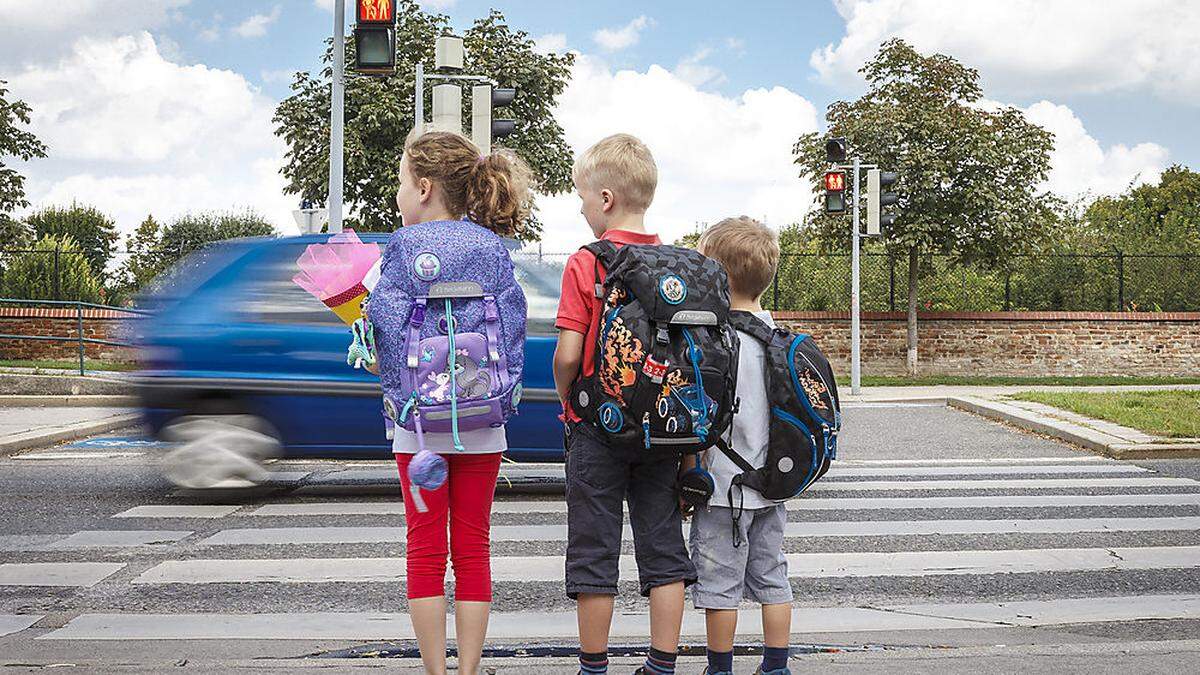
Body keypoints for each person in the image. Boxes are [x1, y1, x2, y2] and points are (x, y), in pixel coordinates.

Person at [368, 130, 531, 675]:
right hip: (484, 422)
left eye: (399, 182)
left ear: (424, 186)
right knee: (473, 546)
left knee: (424, 548)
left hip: (418, 429)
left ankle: (436, 670)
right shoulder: (491, 247)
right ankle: (469, 670)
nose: (397, 195)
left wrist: (388, 382)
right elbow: (512, 329)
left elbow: (386, 332)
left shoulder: (401, 248)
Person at [553, 133, 694, 675]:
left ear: (606, 198)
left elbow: (568, 357)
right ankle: (662, 663)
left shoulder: (586, 262)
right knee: (664, 548)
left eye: (583, 197)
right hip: (664, 427)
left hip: (598, 430)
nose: (582, 206)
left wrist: (571, 401)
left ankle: (593, 665)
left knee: (594, 545)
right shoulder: (681, 264)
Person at [685, 216, 792, 675]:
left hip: (723, 489)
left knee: (720, 585)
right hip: (774, 485)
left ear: (718, 278)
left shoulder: (715, 343)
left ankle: (720, 667)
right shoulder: (784, 342)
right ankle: (776, 665)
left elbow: (699, 416)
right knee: (774, 578)